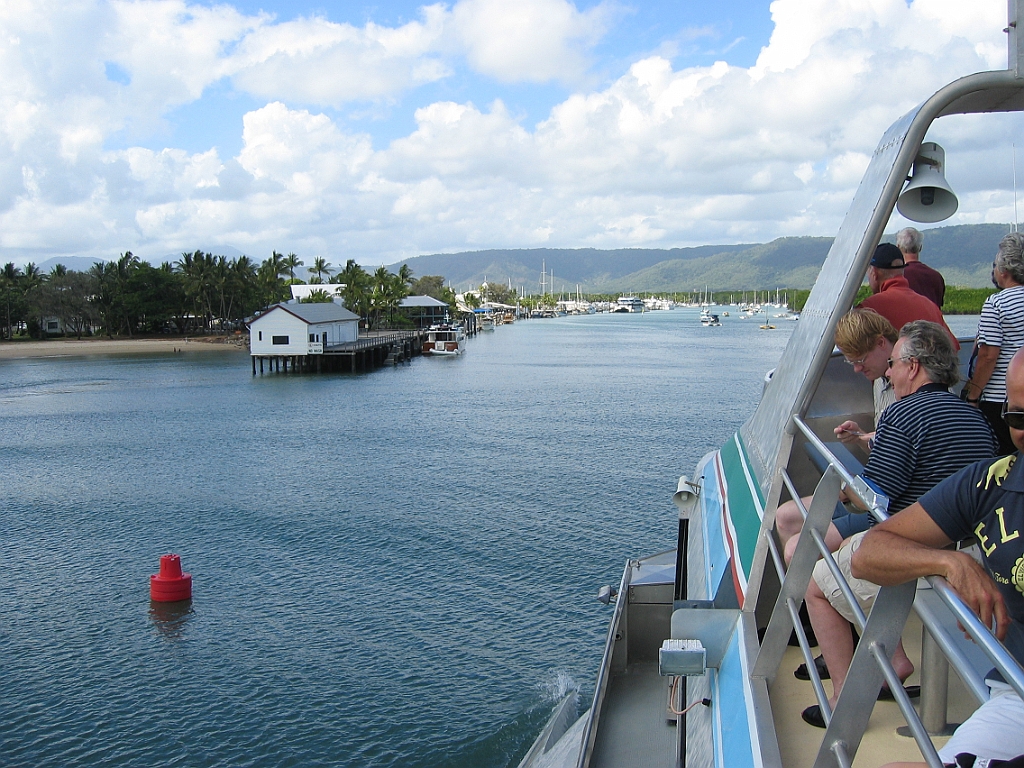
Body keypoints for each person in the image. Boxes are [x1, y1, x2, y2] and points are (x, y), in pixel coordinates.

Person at [792, 321, 996, 727]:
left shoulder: (903, 414)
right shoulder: (977, 422)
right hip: (969, 553)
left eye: (894, 365)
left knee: (816, 582)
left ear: (914, 367)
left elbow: (875, 496)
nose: (888, 372)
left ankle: (841, 701)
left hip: (916, 556)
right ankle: (893, 661)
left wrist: (846, 491)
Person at [853, 347, 1024, 768]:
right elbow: (870, 551)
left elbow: (879, 488)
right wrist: (950, 562)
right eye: (1019, 418)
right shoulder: (992, 483)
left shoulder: (902, 417)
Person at [961, 232, 1024, 456]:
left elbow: (988, 354)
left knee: (1004, 459)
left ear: (1004, 270)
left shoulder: (996, 303)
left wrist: (973, 395)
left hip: (1001, 400)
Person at [858, 243, 959, 350]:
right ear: (902, 271)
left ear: (874, 273)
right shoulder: (930, 306)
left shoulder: (868, 309)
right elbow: (953, 347)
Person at [897, 227, 945, 307]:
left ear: (898, 247)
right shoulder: (937, 276)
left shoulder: (899, 276)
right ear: (920, 247)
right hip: (933, 319)